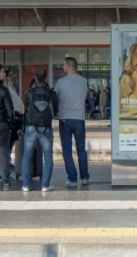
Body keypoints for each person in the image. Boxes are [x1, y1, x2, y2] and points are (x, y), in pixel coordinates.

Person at [53, 57, 90, 187]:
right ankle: (84, 177)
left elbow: (54, 98)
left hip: (64, 118)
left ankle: (72, 179)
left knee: (67, 151)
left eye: (64, 65)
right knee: (81, 149)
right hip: (79, 119)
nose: (63, 68)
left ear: (69, 66)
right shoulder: (84, 81)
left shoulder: (61, 82)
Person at [23, 69, 58, 192]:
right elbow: (56, 111)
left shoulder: (29, 92)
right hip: (46, 127)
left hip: (31, 126)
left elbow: (27, 107)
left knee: (27, 156)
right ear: (47, 78)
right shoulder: (52, 94)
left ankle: (26, 185)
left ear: (36, 78)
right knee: (48, 157)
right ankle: (45, 185)